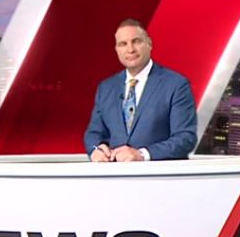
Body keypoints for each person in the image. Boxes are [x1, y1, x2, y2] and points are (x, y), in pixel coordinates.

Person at [84, 19, 197, 162]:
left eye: (136, 41)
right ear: (117, 49)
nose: (130, 49)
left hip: (159, 173)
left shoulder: (176, 84)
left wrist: (142, 154)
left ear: (149, 44)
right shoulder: (106, 88)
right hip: (115, 174)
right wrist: (96, 149)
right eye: (123, 44)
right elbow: (94, 134)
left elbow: (185, 138)